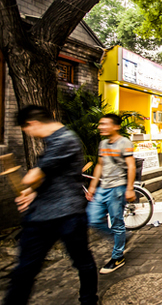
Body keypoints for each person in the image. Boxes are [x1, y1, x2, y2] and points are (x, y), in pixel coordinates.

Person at [5, 106, 98, 305]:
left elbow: (34, 176)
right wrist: (33, 192)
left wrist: (27, 182)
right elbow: (52, 175)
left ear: (33, 123)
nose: (30, 135)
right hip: (44, 214)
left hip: (67, 214)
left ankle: (89, 300)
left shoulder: (65, 139)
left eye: (27, 131)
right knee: (26, 268)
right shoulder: (55, 141)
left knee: (82, 262)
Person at [86, 113, 136, 274]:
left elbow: (131, 166)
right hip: (103, 187)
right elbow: (100, 164)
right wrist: (93, 186)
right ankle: (121, 238)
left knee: (117, 222)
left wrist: (129, 188)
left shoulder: (124, 143)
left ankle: (117, 256)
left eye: (105, 124)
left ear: (116, 126)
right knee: (92, 218)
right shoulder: (103, 143)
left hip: (118, 187)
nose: (101, 127)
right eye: (101, 124)